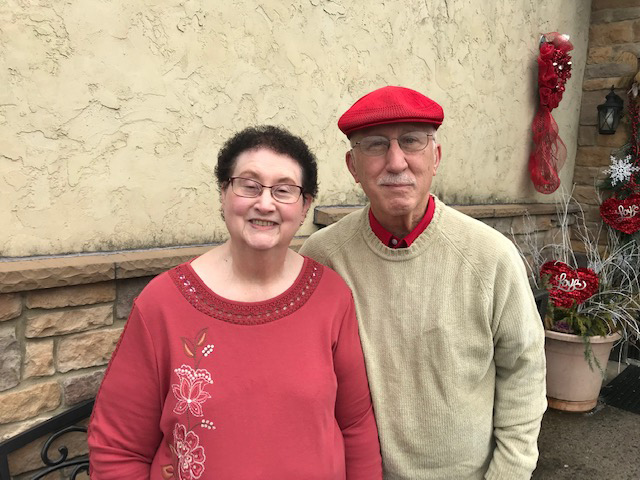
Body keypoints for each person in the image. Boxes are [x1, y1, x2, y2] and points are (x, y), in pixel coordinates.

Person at [88, 125, 383, 480]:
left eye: (285, 190)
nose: (265, 203)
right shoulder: (162, 304)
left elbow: (355, 426)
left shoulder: (331, 297)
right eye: (249, 185)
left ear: (305, 207)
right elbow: (118, 449)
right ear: (224, 193)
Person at [299, 86, 547, 480]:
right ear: (352, 165)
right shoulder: (323, 257)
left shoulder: (490, 257)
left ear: (436, 157)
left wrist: (508, 474)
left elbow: (523, 371)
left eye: (412, 141)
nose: (396, 162)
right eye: (376, 146)